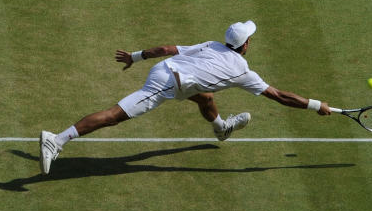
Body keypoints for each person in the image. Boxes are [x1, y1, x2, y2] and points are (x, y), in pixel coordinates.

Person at [39, 20, 332, 174]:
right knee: (115, 115)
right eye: (250, 39)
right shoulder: (242, 71)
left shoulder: (212, 45)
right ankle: (57, 140)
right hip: (167, 85)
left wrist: (135, 56)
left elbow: (167, 50)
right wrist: (317, 105)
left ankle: (222, 128)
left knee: (204, 96)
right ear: (244, 46)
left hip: (165, 71)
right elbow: (280, 96)